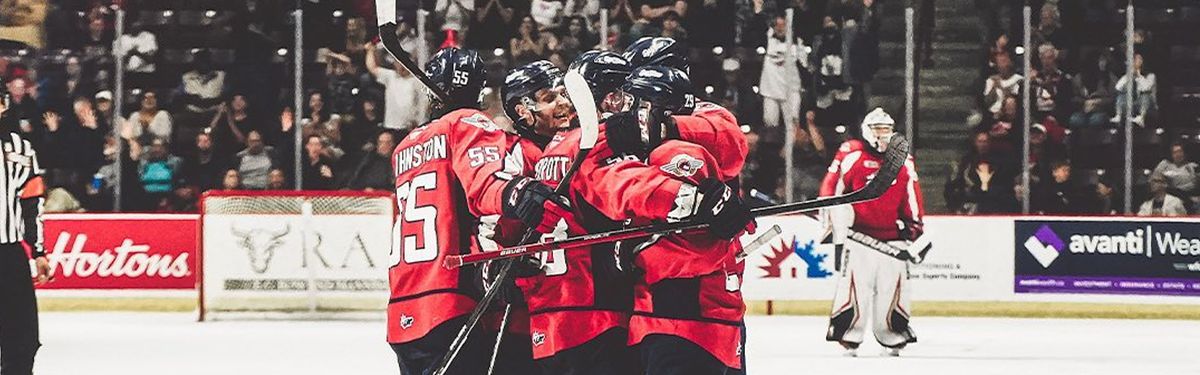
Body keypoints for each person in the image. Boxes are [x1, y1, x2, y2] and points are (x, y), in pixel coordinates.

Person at [385, 47, 569, 375]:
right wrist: (516, 191)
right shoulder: (465, 122)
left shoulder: (405, 146)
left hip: (403, 304)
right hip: (447, 299)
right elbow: (483, 182)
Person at [822, 108, 922, 357]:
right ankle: (848, 336)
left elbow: (912, 195)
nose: (882, 135)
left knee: (893, 291)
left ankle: (893, 335)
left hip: (892, 240)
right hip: (858, 240)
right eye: (878, 129)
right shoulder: (851, 153)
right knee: (854, 288)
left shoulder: (902, 160)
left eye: (886, 129)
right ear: (867, 130)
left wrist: (915, 225)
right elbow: (832, 188)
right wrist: (832, 219)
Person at [0, 84, 52, 375]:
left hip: (9, 254)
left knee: (22, 340)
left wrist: (39, 252)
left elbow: (32, 205)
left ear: (3, 106)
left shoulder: (22, 150)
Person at [365, 41, 429, 130]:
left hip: (409, 128)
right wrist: (370, 51)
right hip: (390, 125)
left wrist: (418, 121)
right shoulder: (390, 76)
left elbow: (424, 104)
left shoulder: (417, 81)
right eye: (398, 63)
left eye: (404, 64)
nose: (401, 66)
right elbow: (372, 68)